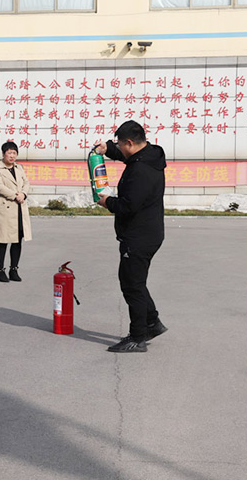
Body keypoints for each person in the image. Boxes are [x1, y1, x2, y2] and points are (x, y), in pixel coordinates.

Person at [94, 120, 168, 353]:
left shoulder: (141, 170)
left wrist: (108, 202)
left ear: (129, 142)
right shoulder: (148, 155)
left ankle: (138, 337)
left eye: (119, 144)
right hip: (148, 232)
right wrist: (108, 149)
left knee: (131, 286)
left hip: (138, 236)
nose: (119, 149)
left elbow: (128, 206)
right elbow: (127, 156)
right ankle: (152, 322)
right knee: (136, 282)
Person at [0, 141, 32, 282]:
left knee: (17, 240)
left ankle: (14, 269)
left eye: (14, 153)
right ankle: (0, 270)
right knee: (3, 240)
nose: (12, 155)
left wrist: (24, 194)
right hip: (6, 209)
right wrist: (16, 195)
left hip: (19, 208)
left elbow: (26, 183)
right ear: (3, 154)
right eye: (9, 153)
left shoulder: (19, 168)